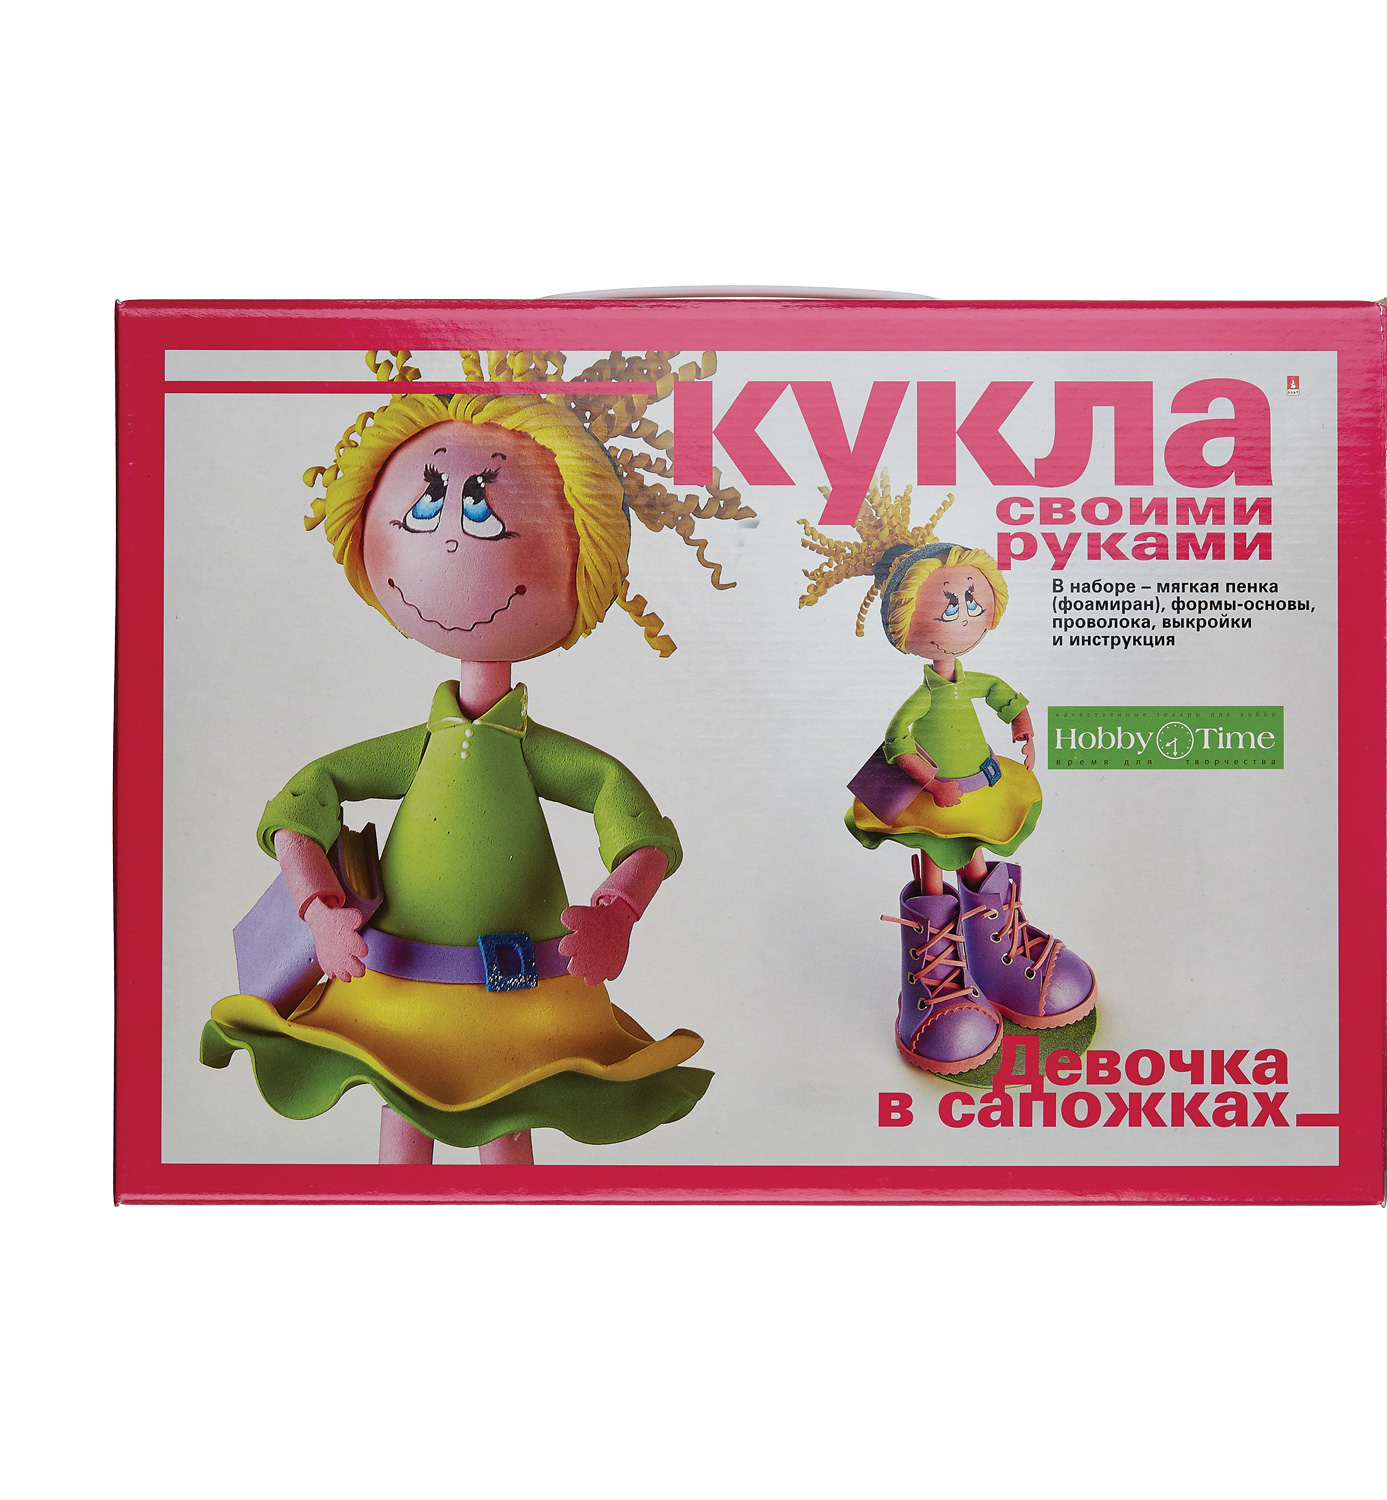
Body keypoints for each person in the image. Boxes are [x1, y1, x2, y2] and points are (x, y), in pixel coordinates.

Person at [201, 350, 752, 1163]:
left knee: (508, 1124)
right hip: (393, 985)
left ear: (587, 562)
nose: (453, 543)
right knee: (400, 1107)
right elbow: (304, 799)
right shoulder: (415, 750)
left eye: (487, 514)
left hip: (523, 998)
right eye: (424, 509)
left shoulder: (537, 755)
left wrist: (618, 910)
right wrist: (316, 906)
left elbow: (632, 820)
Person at [799, 474, 1096, 1076]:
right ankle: (935, 963)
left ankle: (993, 952)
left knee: (977, 851)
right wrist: (931, 781)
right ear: (905, 622)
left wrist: (1021, 720)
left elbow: (1001, 692)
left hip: (980, 782)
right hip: (935, 793)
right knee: (933, 859)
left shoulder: (970, 680)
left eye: (973, 602)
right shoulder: (923, 696)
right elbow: (897, 739)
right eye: (947, 605)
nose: (964, 614)